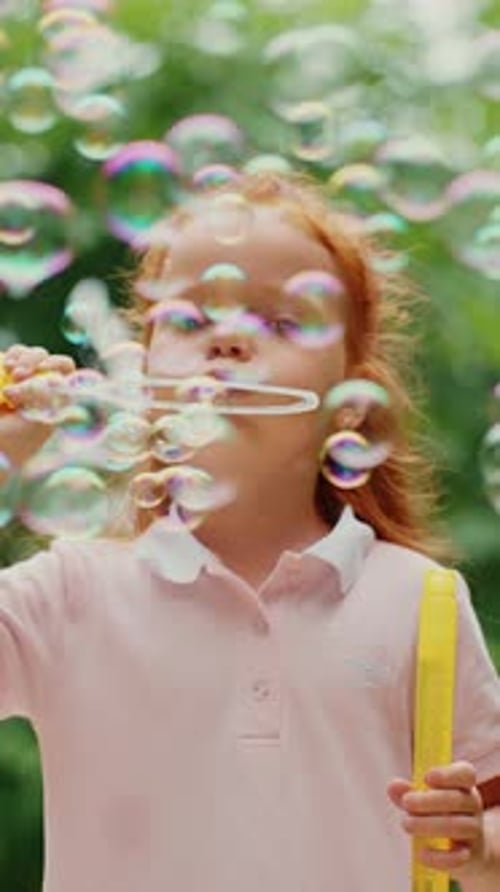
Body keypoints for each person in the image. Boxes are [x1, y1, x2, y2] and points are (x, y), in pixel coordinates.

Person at [0, 171, 499, 892]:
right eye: (192, 320)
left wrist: (473, 847)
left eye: (284, 322)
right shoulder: (69, 592)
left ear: (349, 407)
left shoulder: (420, 599)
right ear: (142, 374)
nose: (230, 339)